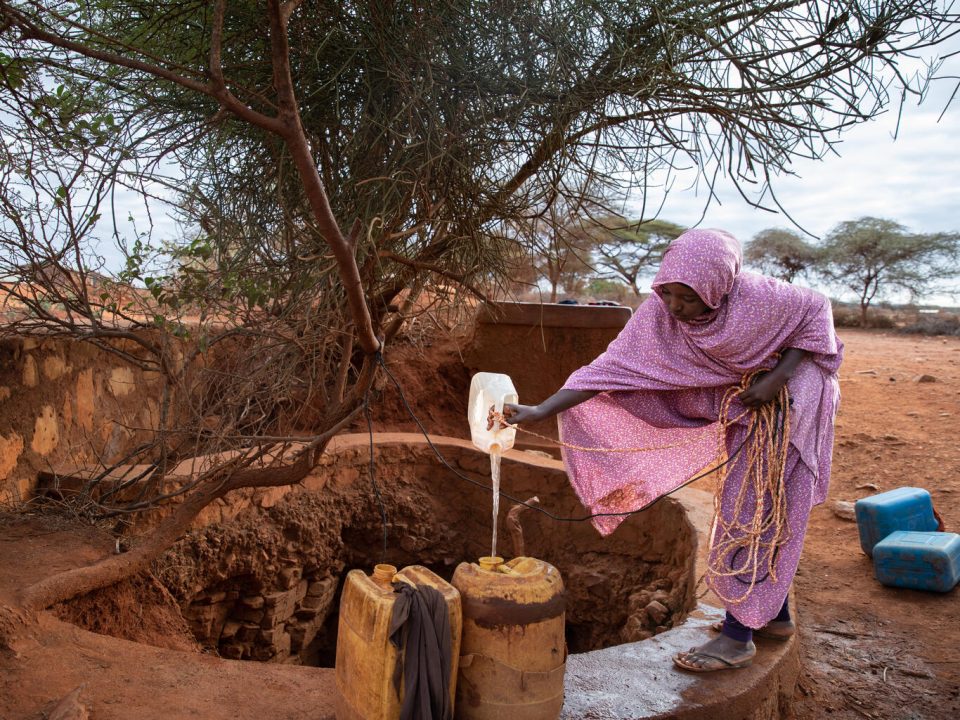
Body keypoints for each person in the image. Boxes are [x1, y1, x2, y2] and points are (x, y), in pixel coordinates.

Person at [501, 228, 842, 672]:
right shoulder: (659, 314)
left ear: (718, 289)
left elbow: (817, 309)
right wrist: (541, 409)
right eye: (668, 293)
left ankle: (739, 638)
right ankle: (770, 618)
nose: (676, 307)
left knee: (757, 512)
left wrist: (777, 377)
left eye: (689, 298)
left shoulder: (760, 299)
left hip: (793, 403)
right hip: (749, 403)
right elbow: (609, 370)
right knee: (754, 507)